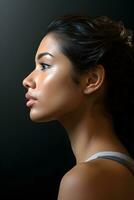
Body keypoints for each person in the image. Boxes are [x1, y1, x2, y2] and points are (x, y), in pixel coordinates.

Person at [22, 14, 134, 200]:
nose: (27, 81)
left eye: (44, 65)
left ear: (91, 80)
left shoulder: (86, 181)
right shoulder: (120, 170)